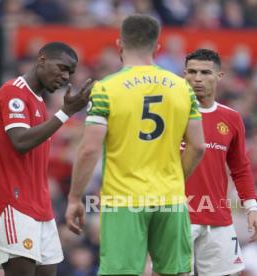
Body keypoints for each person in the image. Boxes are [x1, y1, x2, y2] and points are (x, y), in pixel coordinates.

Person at [65, 14, 206, 276]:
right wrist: (176, 177)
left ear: (119, 45)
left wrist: (75, 197)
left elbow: (89, 149)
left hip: (123, 199)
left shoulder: (106, 89)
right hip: (170, 198)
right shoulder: (183, 88)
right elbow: (198, 146)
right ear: (157, 47)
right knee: (175, 272)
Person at [0, 42, 93, 276]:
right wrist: (65, 113)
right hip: (12, 203)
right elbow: (20, 141)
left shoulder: (39, 102)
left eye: (70, 73)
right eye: (61, 68)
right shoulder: (14, 92)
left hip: (39, 206)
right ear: (42, 59)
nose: (65, 77)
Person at [183, 48, 257, 275]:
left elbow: (240, 167)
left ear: (219, 76)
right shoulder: (172, 113)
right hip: (178, 217)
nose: (197, 78)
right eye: (192, 72)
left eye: (205, 72)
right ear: (184, 74)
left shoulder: (231, 118)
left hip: (218, 216)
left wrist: (251, 208)